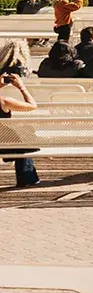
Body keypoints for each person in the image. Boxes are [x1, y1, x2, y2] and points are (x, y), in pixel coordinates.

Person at [0, 40, 40, 187]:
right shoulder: (4, 101)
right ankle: (27, 178)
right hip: (5, 142)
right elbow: (32, 106)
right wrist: (21, 87)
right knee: (23, 137)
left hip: (4, 141)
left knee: (19, 135)